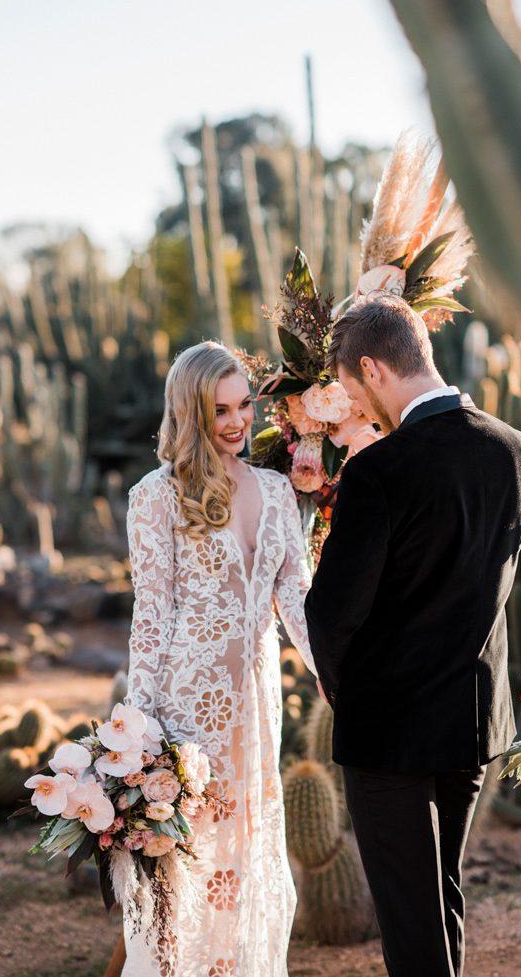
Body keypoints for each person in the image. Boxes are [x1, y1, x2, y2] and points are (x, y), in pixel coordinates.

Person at [305, 294, 521, 977]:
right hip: (470, 721)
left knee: (411, 924)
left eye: (353, 389)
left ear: (374, 368)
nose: (361, 408)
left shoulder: (378, 472)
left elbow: (333, 610)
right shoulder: (518, 452)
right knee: (441, 900)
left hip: (389, 731)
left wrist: (347, 688)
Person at [123, 341, 317, 976]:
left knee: (245, 854)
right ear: (190, 412)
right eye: (219, 410)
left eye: (244, 406)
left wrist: (344, 678)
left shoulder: (276, 491)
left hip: (256, 714)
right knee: (181, 865)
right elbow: (151, 620)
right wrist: (134, 737)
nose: (237, 423)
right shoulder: (155, 497)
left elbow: (300, 606)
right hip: (185, 713)